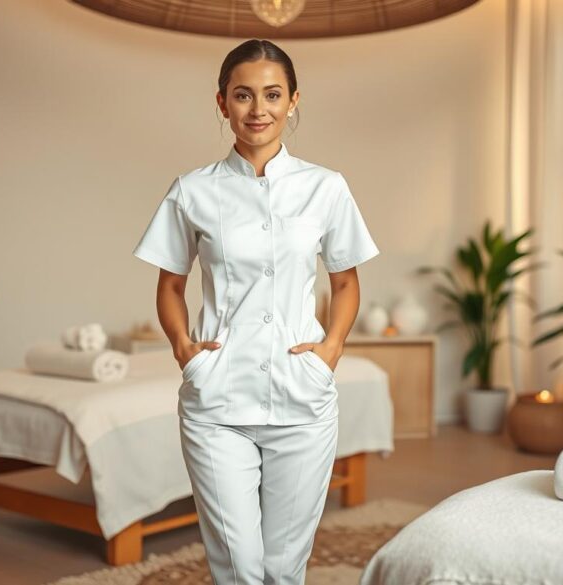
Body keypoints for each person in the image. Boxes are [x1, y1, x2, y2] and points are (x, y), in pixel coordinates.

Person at [131, 38, 379, 585]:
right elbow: (170, 285)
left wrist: (329, 352)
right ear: (222, 103)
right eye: (243, 95)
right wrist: (185, 353)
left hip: (301, 397)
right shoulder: (192, 191)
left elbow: (345, 282)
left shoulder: (326, 187)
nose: (258, 109)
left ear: (294, 101)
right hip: (218, 401)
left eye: (272, 94)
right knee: (239, 566)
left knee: (283, 567)